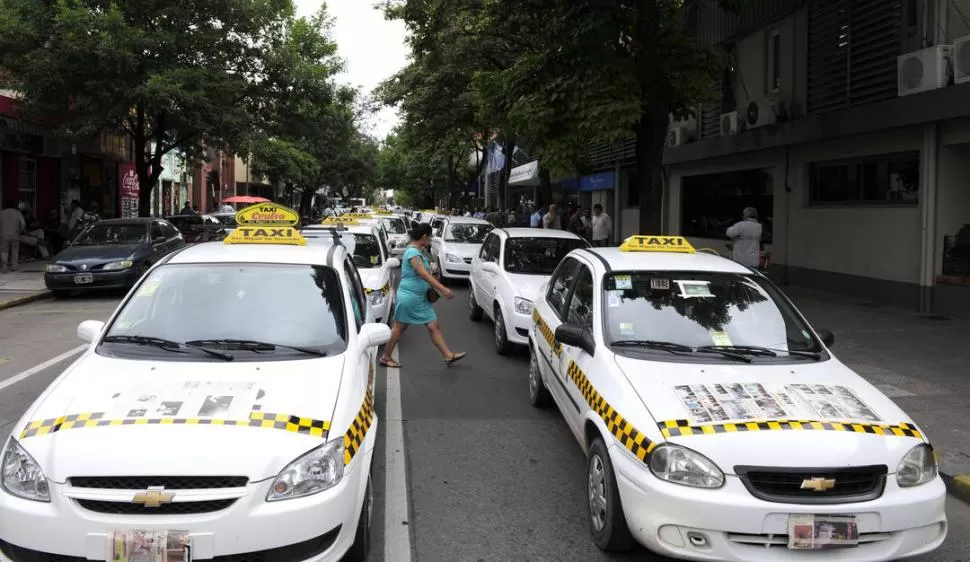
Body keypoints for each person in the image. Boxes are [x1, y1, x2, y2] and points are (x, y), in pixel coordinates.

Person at [379, 223, 467, 368]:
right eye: (430, 237)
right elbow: (423, 274)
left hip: (419, 297)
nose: (431, 240)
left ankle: (447, 355)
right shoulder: (412, 253)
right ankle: (385, 357)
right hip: (410, 297)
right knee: (399, 328)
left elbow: (425, 273)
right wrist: (443, 289)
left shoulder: (418, 252)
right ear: (424, 237)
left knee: (433, 325)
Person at [0, 199, 25, 272]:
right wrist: (20, 231)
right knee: (15, 251)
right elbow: (23, 224)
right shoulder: (18, 213)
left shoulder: (1, 213)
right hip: (15, 235)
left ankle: (4, 267)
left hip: (4, 235)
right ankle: (14, 266)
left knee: (4, 251)